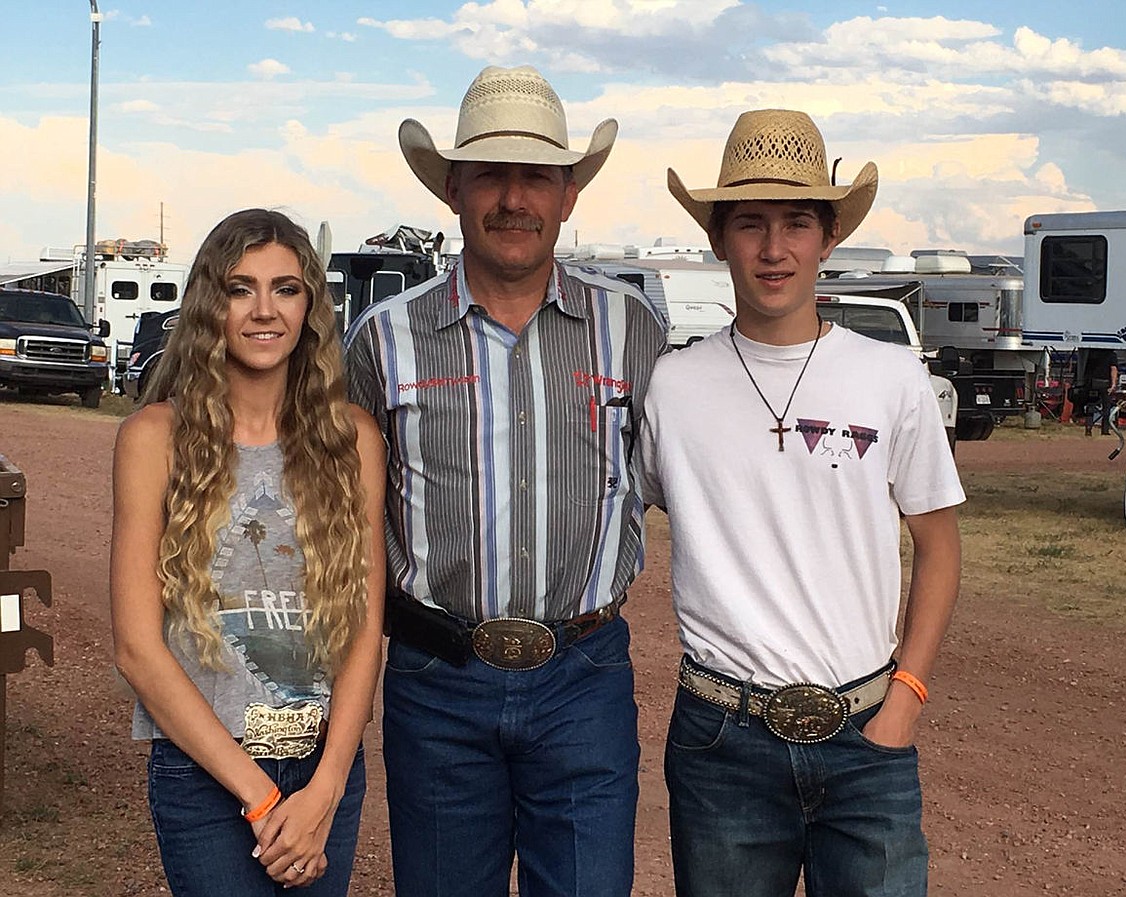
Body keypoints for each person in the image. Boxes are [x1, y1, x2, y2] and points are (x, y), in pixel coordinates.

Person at [344, 65, 665, 897]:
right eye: (491, 173)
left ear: (568, 195)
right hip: (437, 679)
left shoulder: (632, 332)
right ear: (453, 189)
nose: (513, 198)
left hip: (583, 677)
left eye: (537, 176)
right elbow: (343, 520)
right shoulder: (384, 343)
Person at [640, 110, 965, 897]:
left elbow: (940, 545)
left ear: (828, 237)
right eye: (749, 223)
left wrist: (908, 699)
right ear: (719, 240)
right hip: (724, 738)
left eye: (796, 223)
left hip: (867, 735)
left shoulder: (891, 379)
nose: (773, 248)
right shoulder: (673, 386)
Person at [110, 208, 386, 896]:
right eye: (241, 289)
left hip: (324, 774)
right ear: (212, 305)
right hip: (204, 776)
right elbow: (138, 647)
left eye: (285, 288)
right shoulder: (155, 437)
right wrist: (261, 798)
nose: (264, 310)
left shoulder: (352, 440)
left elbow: (363, 630)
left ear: (311, 306)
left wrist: (324, 788)